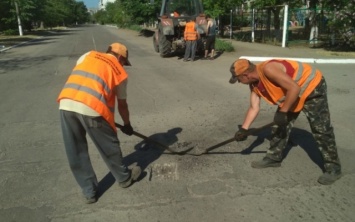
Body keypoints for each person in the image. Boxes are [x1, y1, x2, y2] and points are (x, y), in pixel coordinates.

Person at [229, 58, 342, 185]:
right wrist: (244, 129)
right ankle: (273, 157)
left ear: (246, 75)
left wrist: (283, 112)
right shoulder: (254, 84)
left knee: (321, 129)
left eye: (238, 79)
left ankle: (333, 168)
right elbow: (254, 107)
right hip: (293, 91)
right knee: (279, 125)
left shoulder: (268, 69)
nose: (239, 82)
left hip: (311, 86)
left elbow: (294, 88)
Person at [57, 42, 142, 204]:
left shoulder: (87, 55)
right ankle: (124, 178)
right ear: (119, 57)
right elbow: (122, 105)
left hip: (66, 104)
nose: (123, 64)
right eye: (124, 61)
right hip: (92, 109)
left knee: (75, 151)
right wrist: (127, 124)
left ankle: (89, 191)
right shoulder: (119, 71)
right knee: (108, 145)